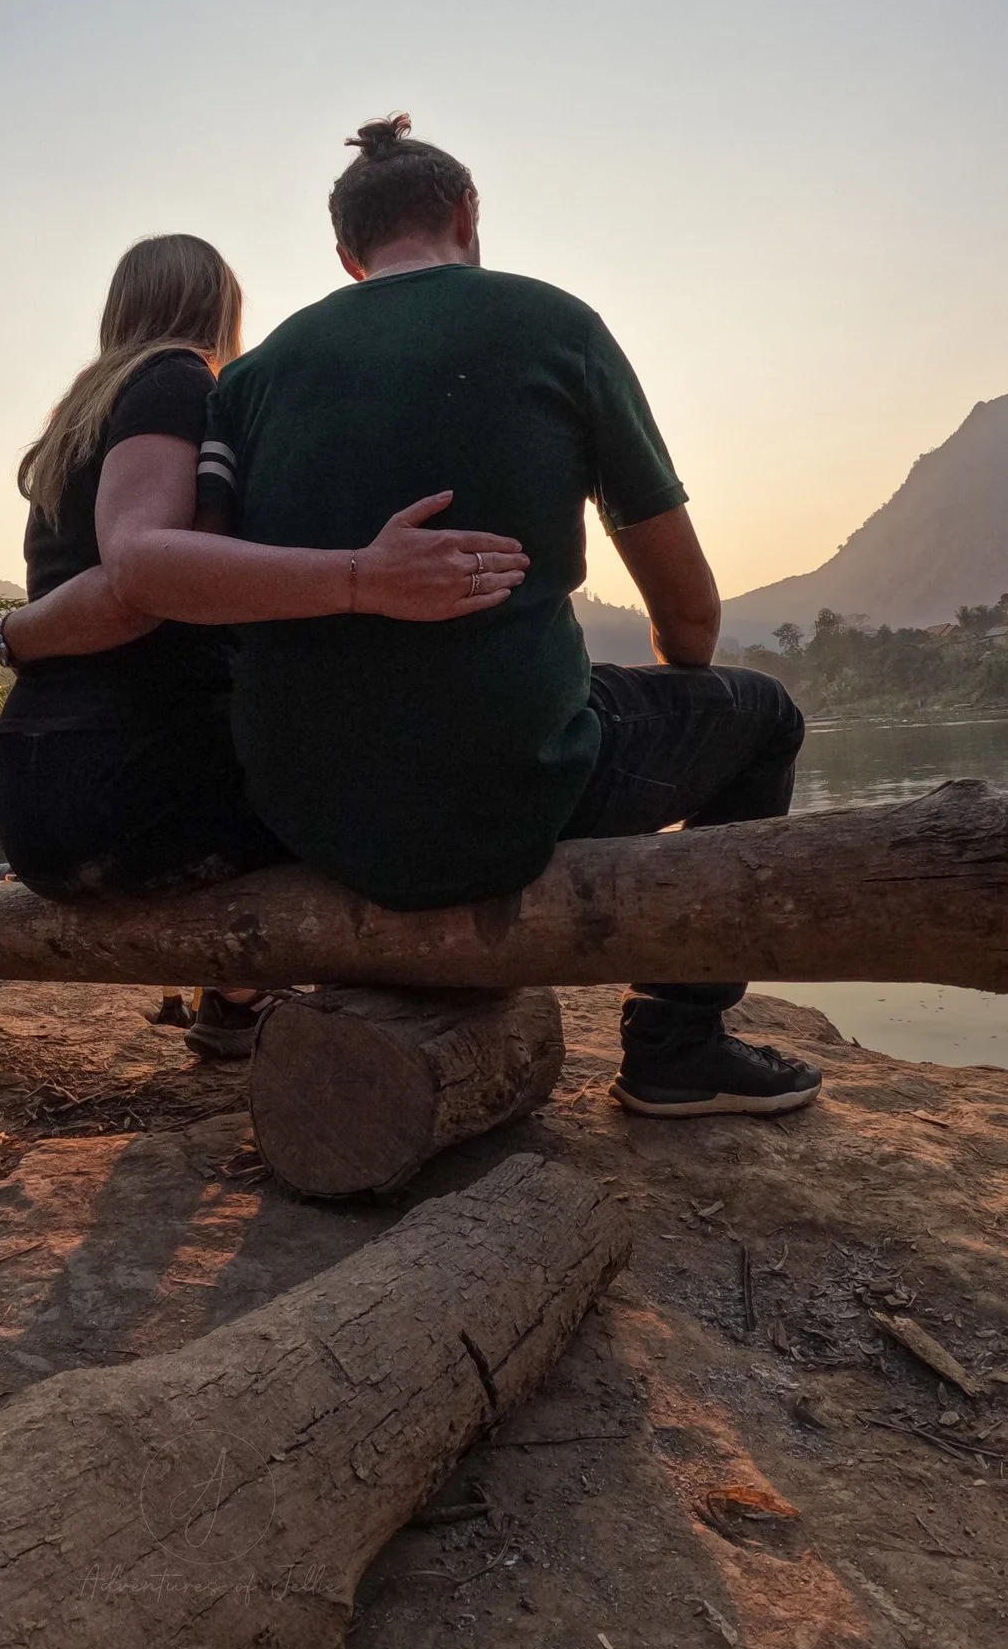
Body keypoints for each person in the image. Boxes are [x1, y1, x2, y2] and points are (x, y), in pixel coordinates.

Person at [190, 115, 820, 1118]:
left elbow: (207, 588)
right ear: (467, 215)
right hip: (504, 796)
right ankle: (676, 1042)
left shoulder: (252, 378)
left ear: (347, 255)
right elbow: (690, 624)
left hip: (300, 807)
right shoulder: (552, 324)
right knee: (764, 716)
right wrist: (661, 666)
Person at [0, 232, 529, 1051]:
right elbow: (136, 582)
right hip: (129, 795)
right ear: (221, 308)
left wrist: (16, 638)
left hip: (35, 803)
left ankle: (235, 999)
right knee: (367, 787)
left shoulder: (82, 422)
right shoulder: (174, 380)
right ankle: (384, 990)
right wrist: (363, 577)